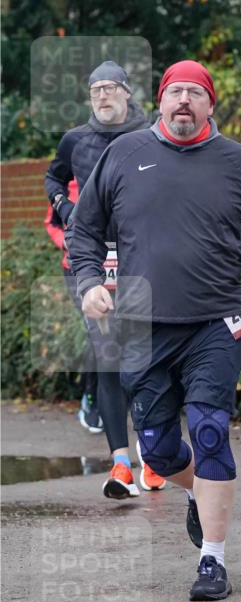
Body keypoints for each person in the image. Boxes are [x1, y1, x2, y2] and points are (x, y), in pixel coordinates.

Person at [68, 60, 241, 601]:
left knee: (211, 431)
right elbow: (84, 229)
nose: (185, 101)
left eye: (196, 92)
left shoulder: (239, 161)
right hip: (142, 326)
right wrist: (89, 282)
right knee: (158, 450)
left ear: (210, 104)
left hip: (216, 320)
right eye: (176, 92)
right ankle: (197, 490)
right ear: (161, 101)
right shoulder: (123, 155)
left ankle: (212, 559)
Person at [44, 61, 164, 496]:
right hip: (92, 261)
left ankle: (153, 456)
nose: (102, 95)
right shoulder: (76, 139)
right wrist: (65, 208)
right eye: (95, 89)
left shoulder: (151, 134)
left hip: (142, 260)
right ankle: (121, 464)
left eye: (110, 87)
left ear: (127, 93)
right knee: (108, 357)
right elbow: (53, 176)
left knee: (148, 358)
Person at [44, 179, 103, 434]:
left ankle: (115, 397)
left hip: (113, 269)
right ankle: (90, 399)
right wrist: (65, 242)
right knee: (96, 331)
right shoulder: (66, 186)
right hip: (75, 270)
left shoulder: (111, 176)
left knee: (116, 332)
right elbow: (51, 223)